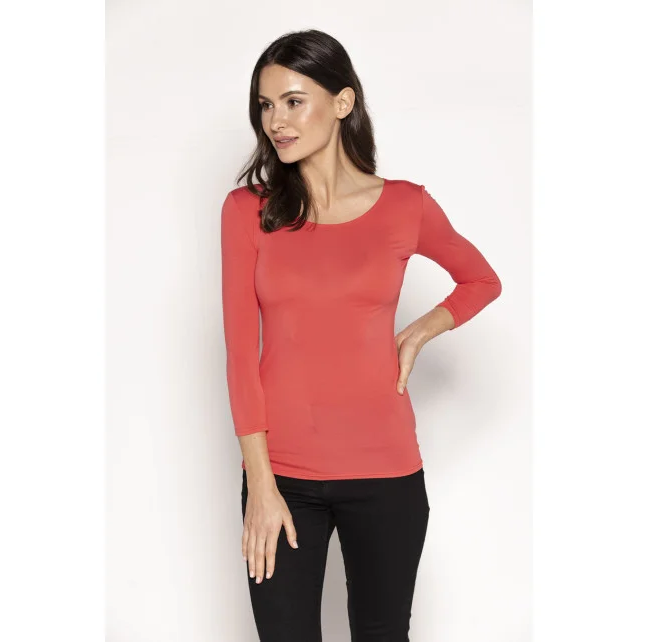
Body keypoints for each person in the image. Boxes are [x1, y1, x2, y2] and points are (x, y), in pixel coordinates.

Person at [220, 29, 502, 642]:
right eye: (266, 105)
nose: (276, 121)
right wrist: (261, 485)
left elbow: (482, 280)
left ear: (343, 102)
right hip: (282, 477)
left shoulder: (405, 206)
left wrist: (422, 330)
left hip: (386, 474)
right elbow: (241, 356)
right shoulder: (248, 211)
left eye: (294, 101)